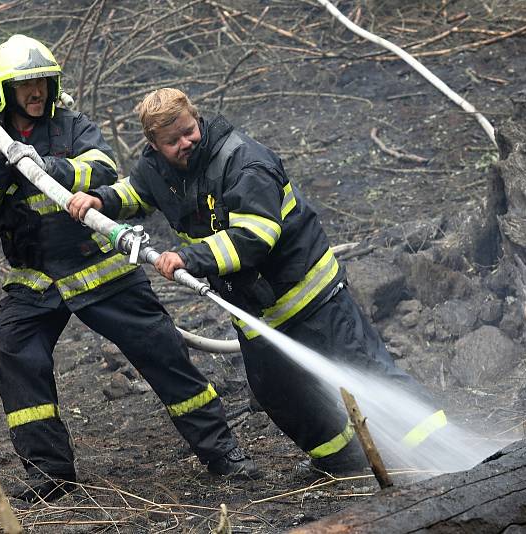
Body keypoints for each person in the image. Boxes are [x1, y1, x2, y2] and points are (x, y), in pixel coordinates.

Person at [67, 88, 444, 477]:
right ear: (154, 144)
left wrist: (188, 258)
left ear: (197, 118)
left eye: (189, 131)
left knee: (368, 372)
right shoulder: (158, 168)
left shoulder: (244, 162)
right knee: (278, 393)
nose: (185, 143)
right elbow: (140, 191)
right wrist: (102, 200)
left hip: (311, 296)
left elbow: (255, 237)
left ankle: (443, 456)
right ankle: (342, 462)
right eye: (172, 141)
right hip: (256, 312)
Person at [0, 38, 258, 503]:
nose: (37, 91)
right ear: (3, 91)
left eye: (42, 81)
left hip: (98, 266)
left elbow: (102, 171)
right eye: (25, 85)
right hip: (37, 279)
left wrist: (47, 165)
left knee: (161, 348)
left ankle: (221, 453)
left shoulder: (73, 125)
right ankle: (50, 476)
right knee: (10, 350)